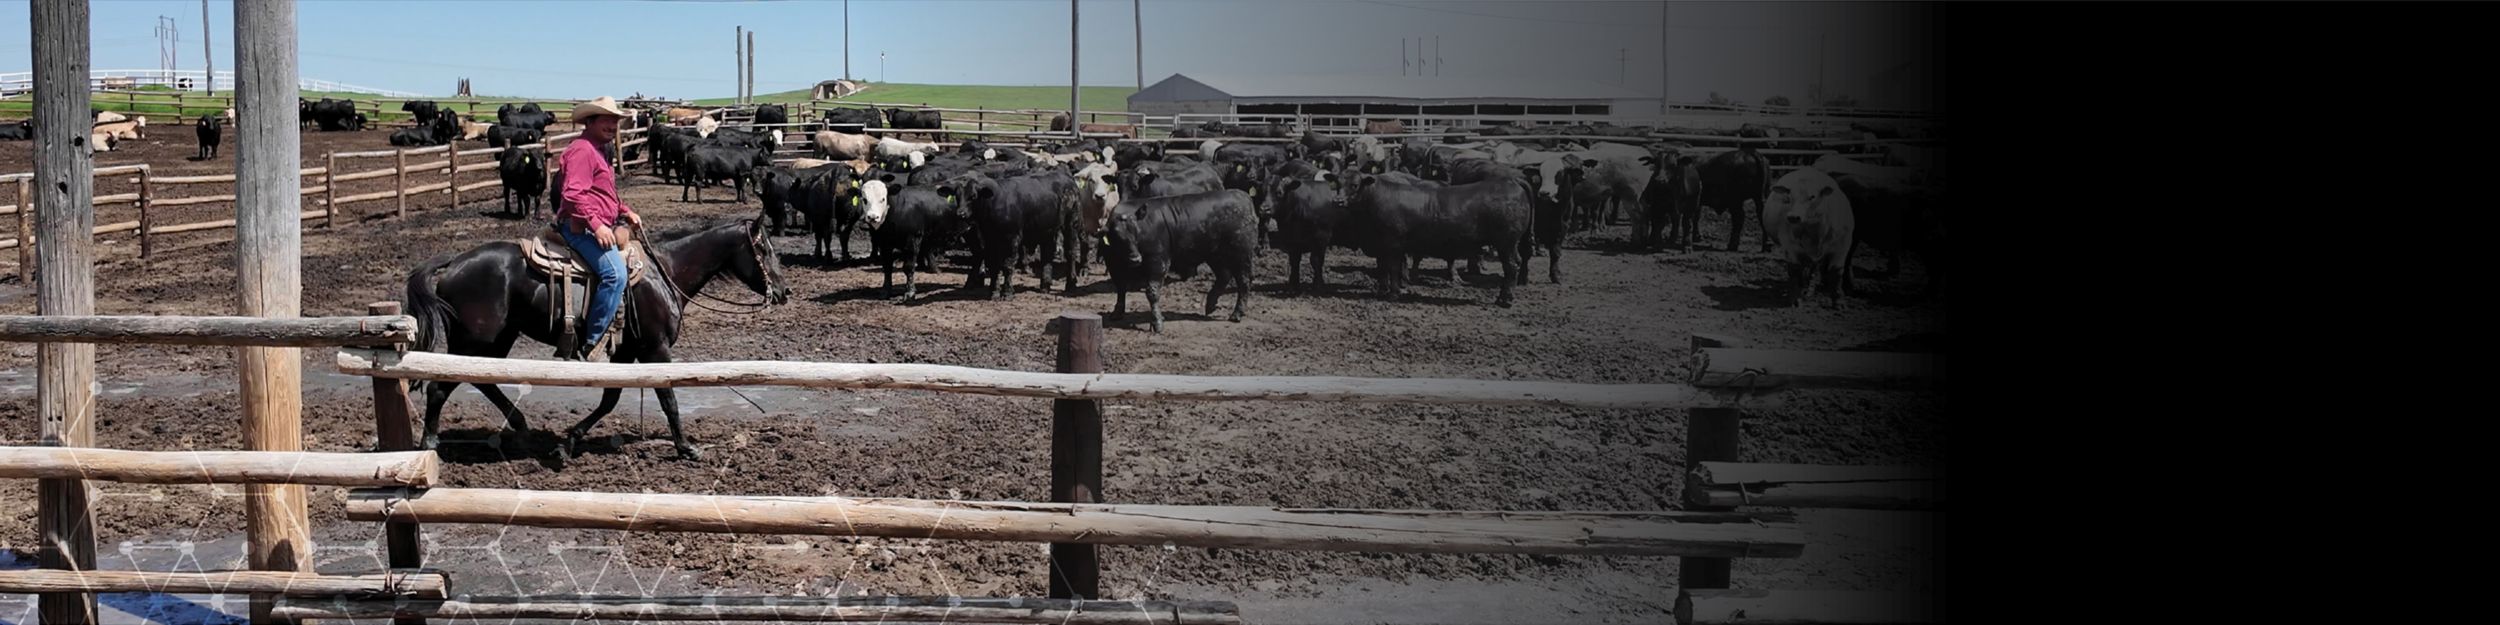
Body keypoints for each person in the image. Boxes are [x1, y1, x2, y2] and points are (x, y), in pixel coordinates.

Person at [556, 96, 642, 360]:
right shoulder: (582, 150)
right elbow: (572, 195)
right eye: (607, 119)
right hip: (578, 227)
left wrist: (624, 210)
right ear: (590, 121)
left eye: (616, 121)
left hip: (598, 222)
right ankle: (593, 343)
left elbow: (604, 194)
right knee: (615, 274)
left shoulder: (600, 151)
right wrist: (597, 224)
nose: (613, 125)